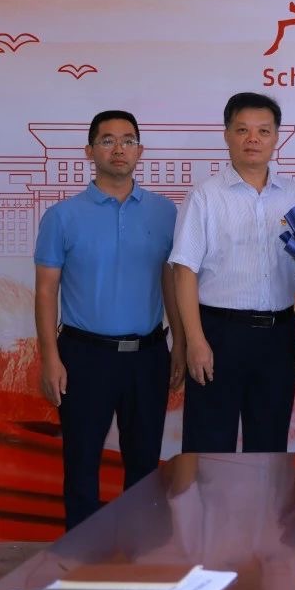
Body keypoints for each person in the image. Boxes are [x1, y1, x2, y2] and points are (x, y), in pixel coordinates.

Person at [34, 110, 183, 528]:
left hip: (148, 355)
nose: (119, 149)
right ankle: (82, 554)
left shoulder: (165, 213)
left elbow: (171, 281)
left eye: (128, 140)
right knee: (82, 461)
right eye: (107, 140)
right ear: (89, 151)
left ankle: (139, 549)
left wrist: (180, 344)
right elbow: (45, 291)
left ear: (140, 150)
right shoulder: (62, 216)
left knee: (144, 462)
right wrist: (50, 358)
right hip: (84, 355)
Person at [171, 92, 295, 453]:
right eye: (242, 130)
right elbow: (184, 272)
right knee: (208, 448)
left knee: (269, 447)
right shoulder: (205, 196)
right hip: (219, 334)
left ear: (276, 137)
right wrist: (195, 341)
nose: (253, 139)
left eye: (263, 131)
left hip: (280, 336)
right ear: (227, 135)